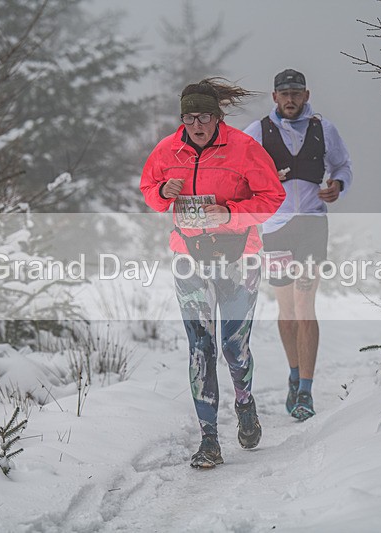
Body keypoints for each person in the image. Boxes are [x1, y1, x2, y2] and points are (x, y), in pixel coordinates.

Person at [140, 78, 285, 468]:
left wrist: (231, 214)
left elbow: (273, 197)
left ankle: (244, 403)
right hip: (189, 257)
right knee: (200, 348)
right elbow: (149, 189)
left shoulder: (243, 148)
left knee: (233, 349)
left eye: (203, 116)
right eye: (188, 117)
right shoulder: (168, 150)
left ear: (217, 116)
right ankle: (209, 440)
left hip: (239, 259)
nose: (196, 125)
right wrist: (163, 193)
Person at [244, 69, 352, 421]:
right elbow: (238, 173)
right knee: (287, 311)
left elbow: (343, 166)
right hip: (274, 228)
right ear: (274, 97)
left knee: (305, 306)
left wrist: (337, 185)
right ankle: (294, 374)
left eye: (295, 93)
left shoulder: (325, 129)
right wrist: (263, 179)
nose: (290, 99)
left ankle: (306, 390)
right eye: (283, 93)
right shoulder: (258, 132)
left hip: (311, 224)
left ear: (306, 95)